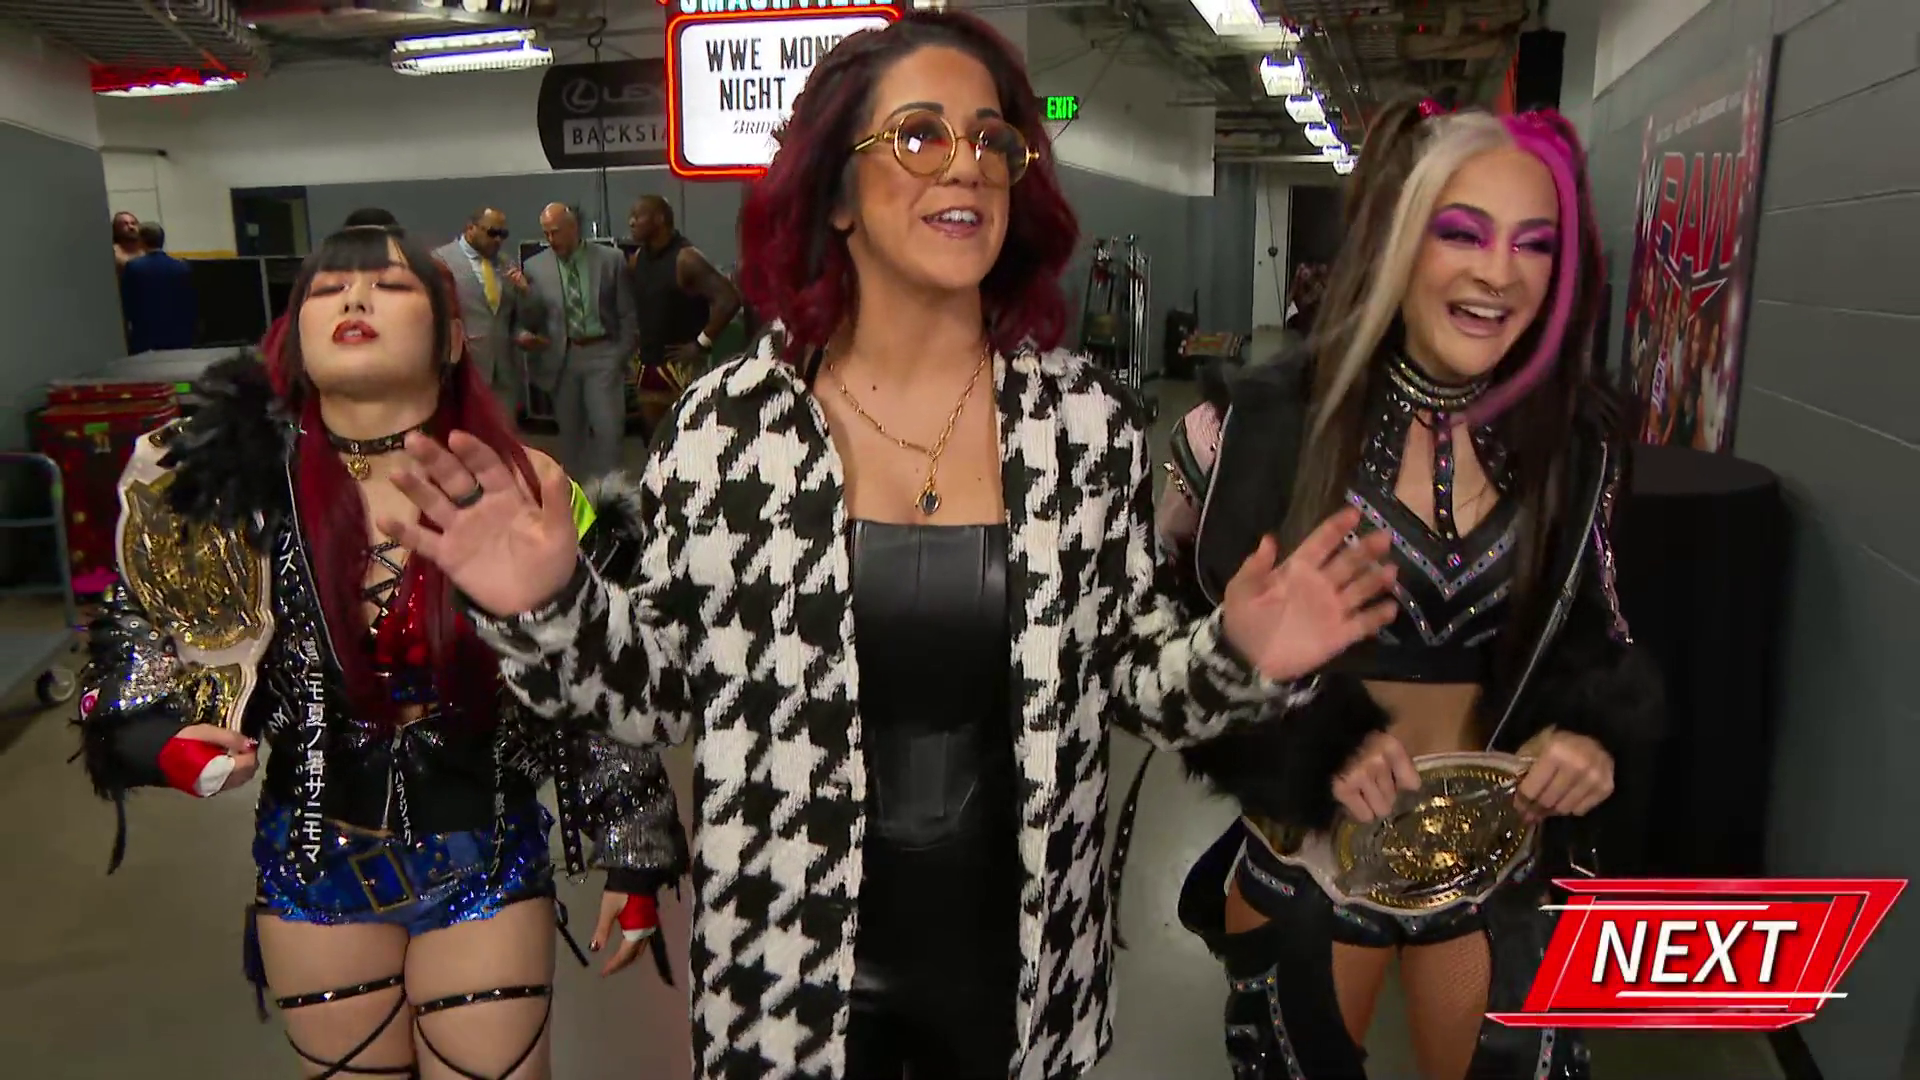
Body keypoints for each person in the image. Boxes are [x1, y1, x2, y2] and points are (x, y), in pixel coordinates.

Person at [378, 11, 1399, 1080]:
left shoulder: (1082, 425)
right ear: (834, 192)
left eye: (992, 138)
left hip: (1019, 974)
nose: (967, 164)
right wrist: (548, 603)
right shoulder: (731, 427)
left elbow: (1133, 680)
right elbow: (660, 695)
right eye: (919, 135)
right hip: (785, 972)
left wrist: (1242, 651)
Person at [76, 224, 689, 1079]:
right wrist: (161, 742)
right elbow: (133, 640)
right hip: (310, 862)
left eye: (391, 286)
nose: (355, 298)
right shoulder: (229, 498)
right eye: (327, 289)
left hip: (485, 858)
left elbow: (596, 682)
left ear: (451, 338)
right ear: (295, 335)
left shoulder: (531, 492)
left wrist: (636, 849)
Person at [1157, 98, 1664, 1080]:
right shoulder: (1263, 422)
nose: (1499, 272)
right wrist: (1309, 740)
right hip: (1306, 860)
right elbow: (1178, 652)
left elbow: (1598, 634)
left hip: (1500, 863)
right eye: (1462, 233)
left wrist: (1588, 733)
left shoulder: (1579, 443)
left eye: (1534, 243)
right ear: (1398, 241)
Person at [523, 203, 637, 480]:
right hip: (561, 356)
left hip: (603, 352)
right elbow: (531, 317)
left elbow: (627, 312)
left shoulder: (611, 260)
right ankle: (576, 492)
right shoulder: (534, 267)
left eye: (556, 232)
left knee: (608, 429)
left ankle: (611, 492)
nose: (551, 239)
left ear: (573, 228)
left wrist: (620, 355)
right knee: (570, 433)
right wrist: (525, 303)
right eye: (546, 233)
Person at [625, 194, 742, 432]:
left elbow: (729, 299)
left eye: (638, 216)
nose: (631, 222)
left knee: (692, 437)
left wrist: (701, 343)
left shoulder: (686, 259)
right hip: (648, 366)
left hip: (683, 370)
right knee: (655, 440)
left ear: (659, 219)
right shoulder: (637, 259)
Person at [436, 207, 546, 423]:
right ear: (470, 228)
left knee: (504, 433)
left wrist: (524, 299)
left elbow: (510, 316)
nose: (498, 240)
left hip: (504, 371)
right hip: (464, 369)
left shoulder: (506, 264)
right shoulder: (442, 260)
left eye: (503, 234)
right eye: (492, 233)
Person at [120, 222, 199, 354]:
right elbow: (191, 301)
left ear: (141, 240)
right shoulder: (182, 267)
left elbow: (127, 302)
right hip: (179, 333)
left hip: (146, 334)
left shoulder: (134, 267)